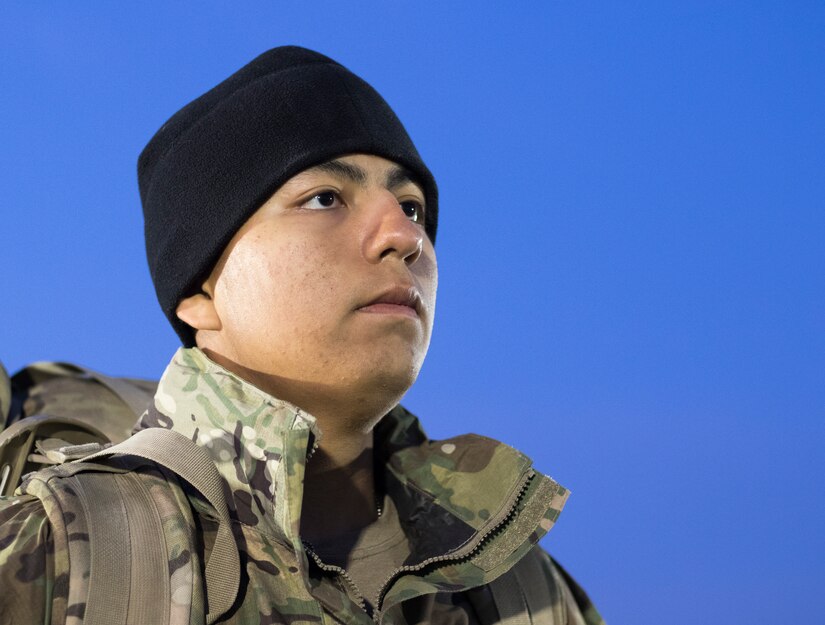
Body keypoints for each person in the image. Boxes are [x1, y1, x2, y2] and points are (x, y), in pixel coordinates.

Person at [0, 46, 604, 624]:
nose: (404, 236)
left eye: (413, 207)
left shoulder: (516, 590)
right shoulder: (62, 552)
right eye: (323, 199)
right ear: (201, 294)